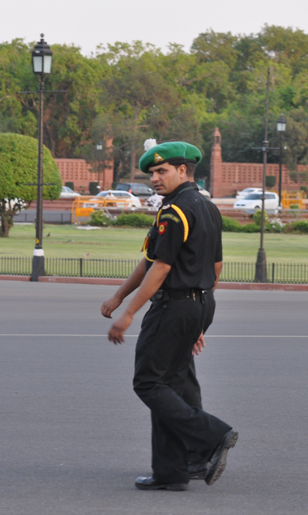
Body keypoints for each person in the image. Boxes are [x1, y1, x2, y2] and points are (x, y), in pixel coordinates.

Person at [100, 141, 238, 491]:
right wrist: (199, 317)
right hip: (200, 301)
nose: (155, 179)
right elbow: (216, 266)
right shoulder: (207, 208)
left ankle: (211, 436)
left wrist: (128, 313)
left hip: (174, 305)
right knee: (174, 383)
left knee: (148, 382)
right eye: (152, 174)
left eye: (162, 171)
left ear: (183, 171)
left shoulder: (175, 212)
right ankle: (176, 469)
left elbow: (160, 268)